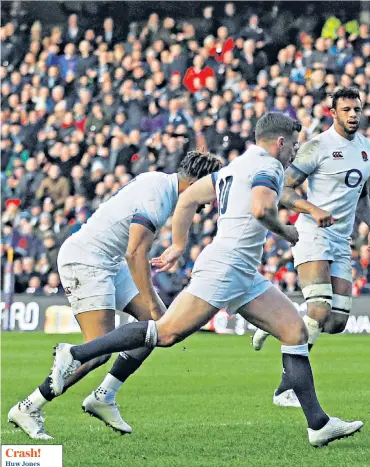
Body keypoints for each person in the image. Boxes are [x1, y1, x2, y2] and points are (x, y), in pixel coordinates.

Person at [49, 113, 363, 447]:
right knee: (165, 332)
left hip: (242, 272)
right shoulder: (271, 166)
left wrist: (179, 245)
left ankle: (318, 424)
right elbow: (260, 209)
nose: (294, 153)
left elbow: (188, 199)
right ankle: (77, 353)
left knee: (294, 331)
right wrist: (286, 230)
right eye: (294, 145)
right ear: (280, 142)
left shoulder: (237, 165)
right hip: (226, 267)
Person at [8, 151, 223, 440]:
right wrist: (148, 296)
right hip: (86, 260)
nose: (210, 201)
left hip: (109, 260)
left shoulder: (161, 183)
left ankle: (104, 395)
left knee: (155, 326)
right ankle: (28, 407)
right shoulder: (159, 195)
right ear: (198, 181)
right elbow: (135, 252)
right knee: (99, 350)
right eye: (211, 190)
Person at [252, 87, 370, 407]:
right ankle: (286, 387)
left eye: (357, 109)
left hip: (341, 239)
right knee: (319, 308)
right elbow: (285, 189)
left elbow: (364, 197)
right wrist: (311, 209)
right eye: (346, 109)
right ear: (333, 113)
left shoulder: (366, 149)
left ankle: (283, 322)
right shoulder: (317, 146)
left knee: (336, 321)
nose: (353, 115)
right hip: (313, 231)